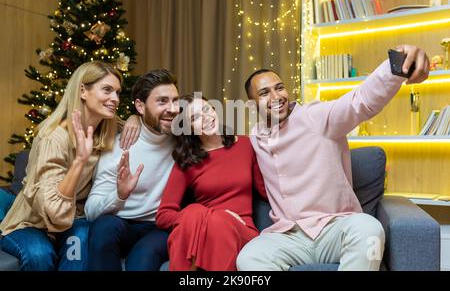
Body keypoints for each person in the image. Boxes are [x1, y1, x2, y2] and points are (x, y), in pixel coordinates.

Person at [236, 45, 430, 271]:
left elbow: (361, 102)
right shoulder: (255, 138)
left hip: (334, 228)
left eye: (279, 88)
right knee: (249, 258)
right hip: (288, 236)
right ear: (252, 105)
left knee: (369, 230)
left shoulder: (314, 116)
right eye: (264, 93)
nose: (276, 96)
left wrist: (396, 66)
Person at [0, 61, 139, 271]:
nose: (115, 99)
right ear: (83, 90)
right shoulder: (54, 138)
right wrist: (80, 161)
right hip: (33, 222)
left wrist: (135, 118)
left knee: (81, 241)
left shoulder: (107, 126)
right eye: (107, 90)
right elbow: (54, 211)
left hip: (75, 219)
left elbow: (145, 123)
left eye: (118, 92)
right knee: (39, 255)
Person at [155, 93, 267, 271]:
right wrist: (212, 214)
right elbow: (163, 215)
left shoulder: (245, 145)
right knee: (195, 212)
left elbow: (265, 190)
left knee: (216, 220)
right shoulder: (187, 161)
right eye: (195, 117)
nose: (206, 118)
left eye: (207, 109)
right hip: (203, 232)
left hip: (242, 230)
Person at [85, 69, 180, 271]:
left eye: (175, 100)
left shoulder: (184, 140)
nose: (172, 109)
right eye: (162, 101)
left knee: (143, 256)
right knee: (103, 229)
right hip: (121, 224)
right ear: (140, 106)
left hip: (160, 228)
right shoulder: (119, 146)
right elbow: (91, 211)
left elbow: (212, 124)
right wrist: (119, 195)